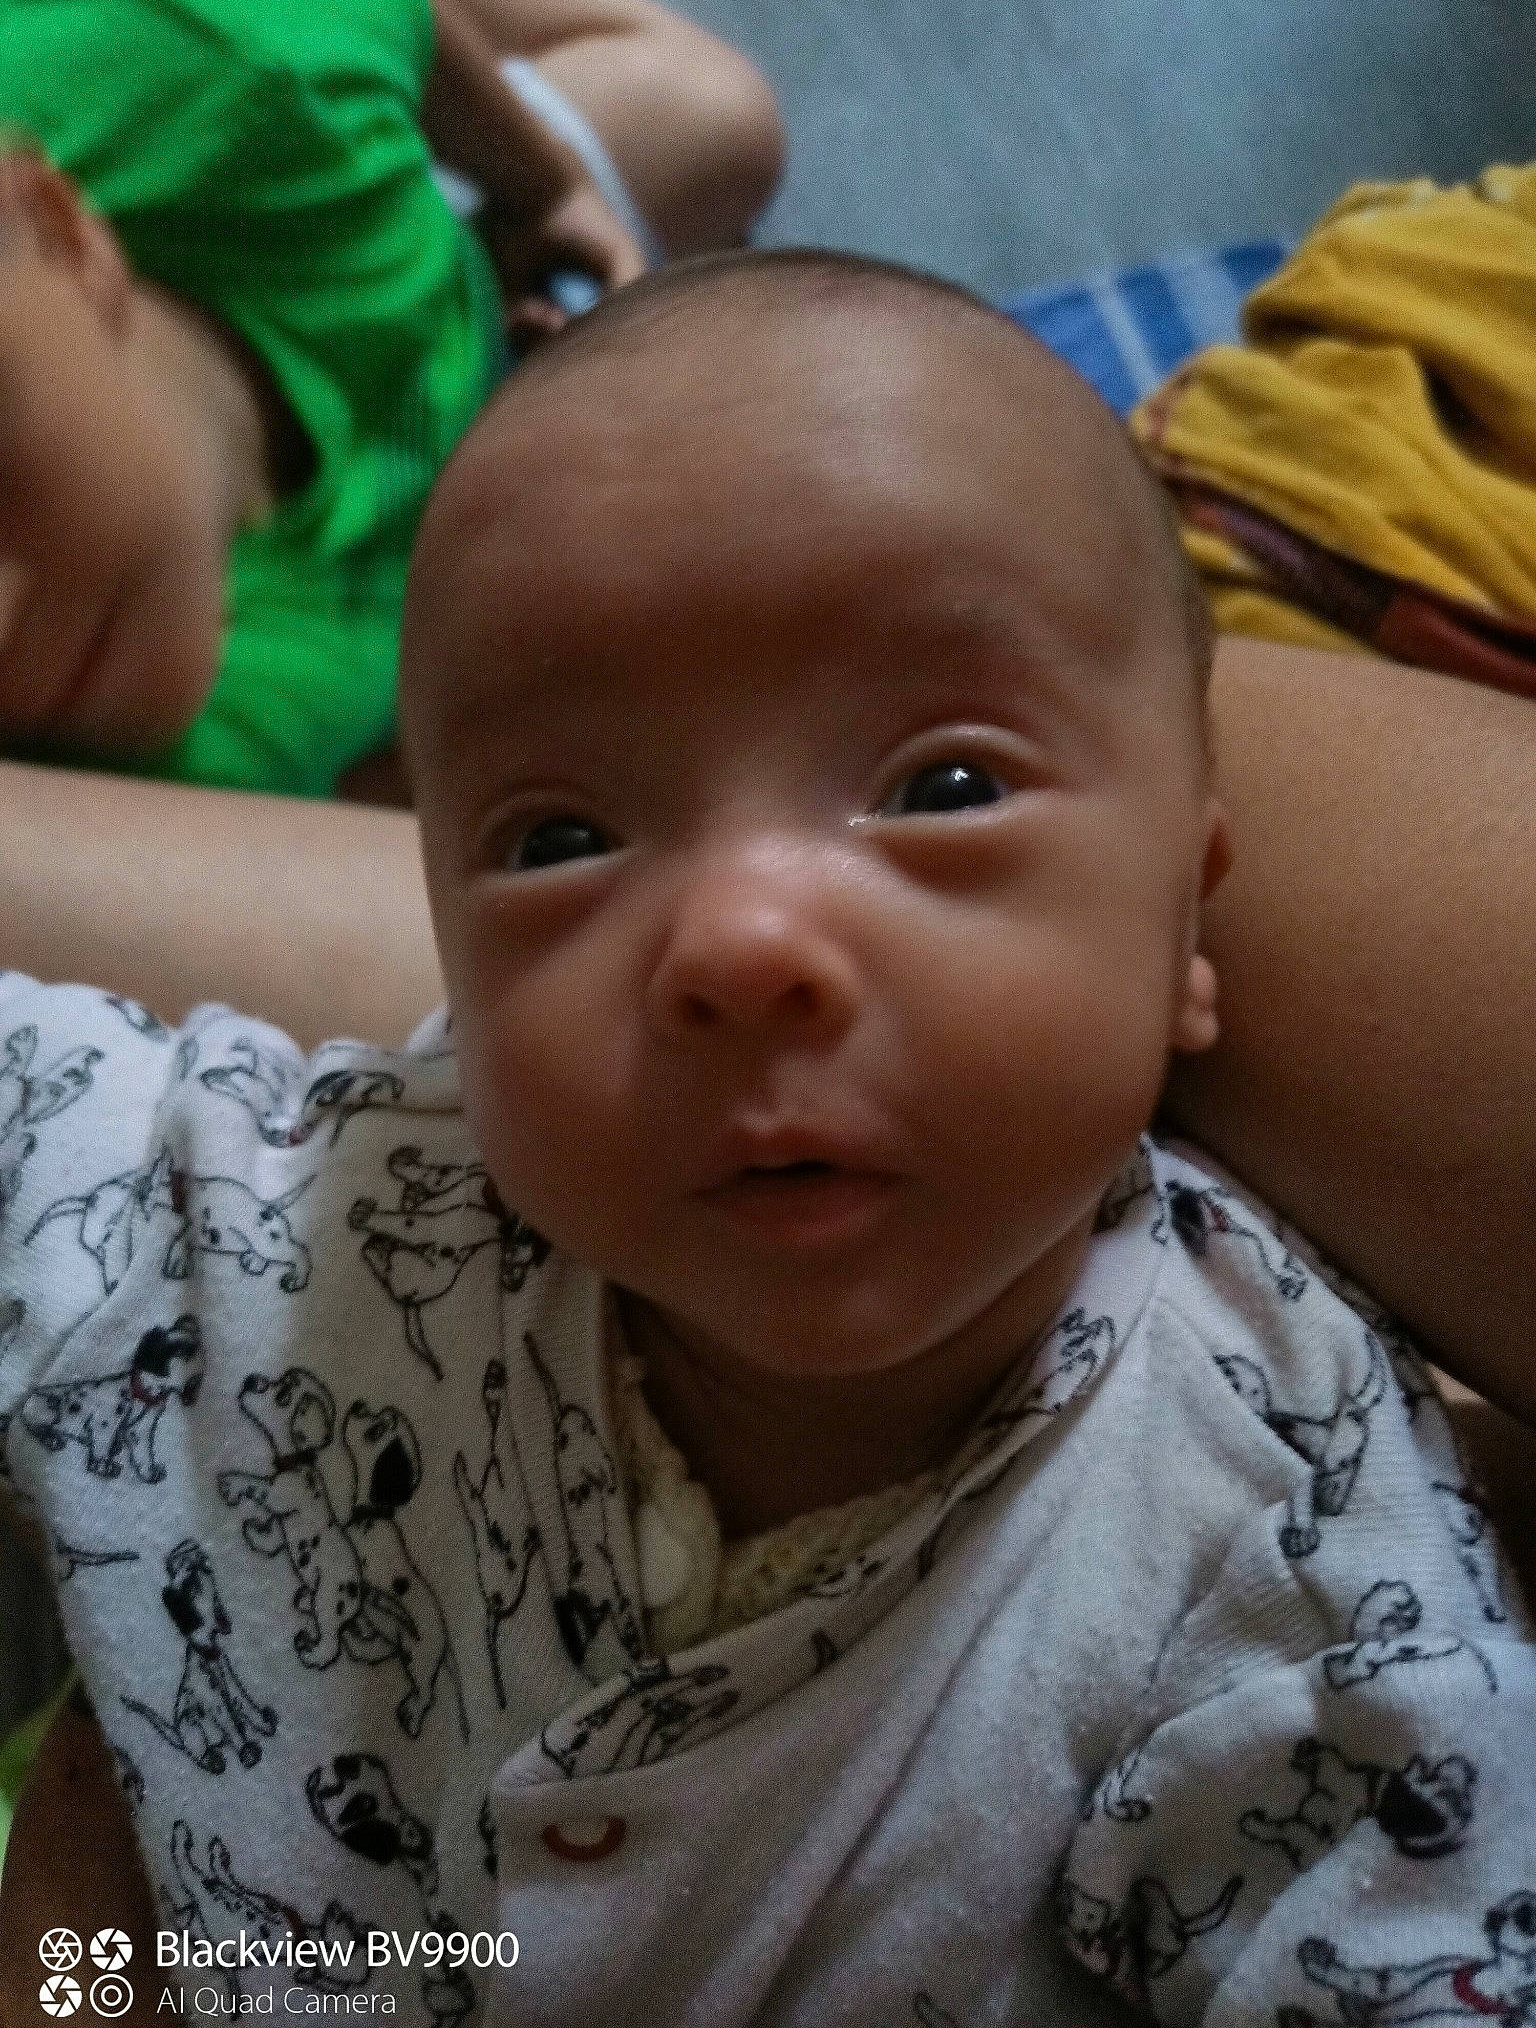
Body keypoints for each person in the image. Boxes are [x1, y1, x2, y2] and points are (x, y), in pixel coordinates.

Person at [0, 253, 1529, 2024]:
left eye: (940, 789)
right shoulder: (322, 1211)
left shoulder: (1296, 1563)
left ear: (1190, 927)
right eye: (558, 835)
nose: (735, 943)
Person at [0, 0, 782, 796]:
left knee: (718, 115)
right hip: (432, 322)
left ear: (65, 239)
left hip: (324, 170)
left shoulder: (211, 66)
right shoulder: (183, 767)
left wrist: (548, 191)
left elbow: (371, 6)